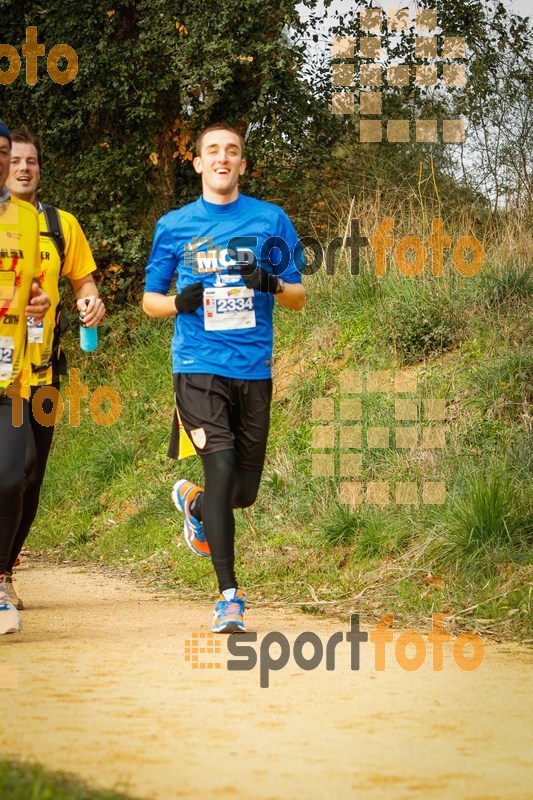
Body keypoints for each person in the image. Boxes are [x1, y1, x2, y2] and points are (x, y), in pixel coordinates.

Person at [143, 122, 306, 633]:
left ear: (241, 164)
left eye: (231, 151)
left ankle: (193, 503)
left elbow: (300, 296)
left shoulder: (270, 220)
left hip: (253, 369)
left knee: (242, 491)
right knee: (221, 469)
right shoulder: (174, 225)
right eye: (212, 151)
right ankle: (229, 598)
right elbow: (149, 301)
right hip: (196, 367)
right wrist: (177, 303)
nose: (222, 158)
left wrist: (273, 283)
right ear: (196, 163)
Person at [4, 128, 106, 612]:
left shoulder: (61, 225)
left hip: (44, 373)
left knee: (31, 478)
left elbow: (84, 282)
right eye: (15, 160)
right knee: (12, 468)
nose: (24, 168)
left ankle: (5, 569)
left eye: (32, 162)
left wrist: (91, 305)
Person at [0, 120, 50, 634]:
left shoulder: (39, 223)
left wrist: (38, 301)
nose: (16, 166)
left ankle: (2, 576)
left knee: (21, 472)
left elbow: (38, 287)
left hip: (25, 374)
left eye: (16, 156)